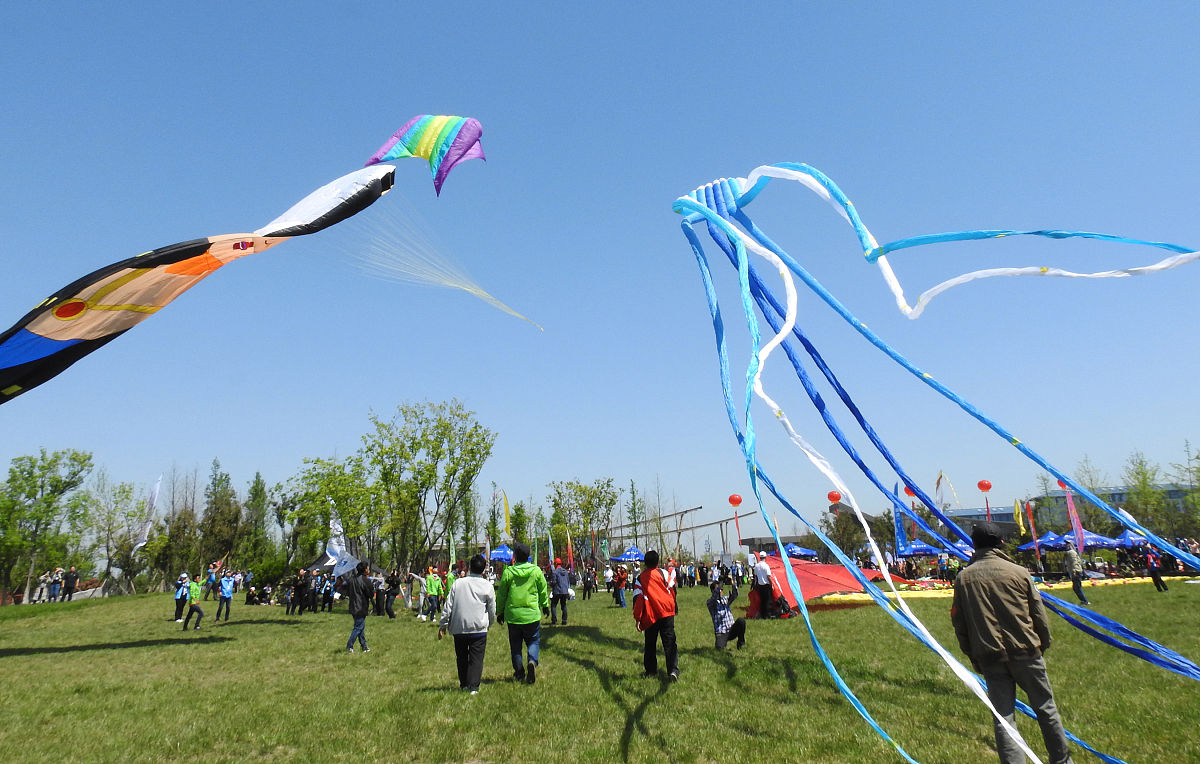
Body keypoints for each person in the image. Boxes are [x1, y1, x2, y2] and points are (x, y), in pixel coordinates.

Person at [951, 522, 1074, 764]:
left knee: (1003, 718)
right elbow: (1038, 615)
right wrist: (1042, 644)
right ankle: (1062, 761)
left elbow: (960, 623)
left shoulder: (963, 579)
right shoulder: (1019, 572)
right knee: (1046, 709)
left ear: (974, 545)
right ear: (1002, 543)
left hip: (989, 657)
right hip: (1027, 651)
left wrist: (973, 655)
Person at [439, 554, 496, 694]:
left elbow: (448, 606)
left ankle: (464, 684)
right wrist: (489, 623)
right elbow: (492, 608)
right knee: (477, 658)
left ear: (469, 567)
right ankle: (474, 687)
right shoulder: (487, 585)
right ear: (483, 570)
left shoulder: (458, 583)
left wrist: (443, 624)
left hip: (459, 627)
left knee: (462, 657)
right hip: (479, 627)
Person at [495, 542, 549, 684]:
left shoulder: (508, 572)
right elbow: (543, 589)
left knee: (516, 646)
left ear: (515, 556)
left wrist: (499, 612)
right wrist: (545, 605)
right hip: (531, 614)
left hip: (513, 615)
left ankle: (519, 673)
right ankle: (532, 660)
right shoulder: (536, 571)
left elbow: (501, 594)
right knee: (533, 641)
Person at [633, 550, 678, 680]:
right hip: (666, 612)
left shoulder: (640, 578)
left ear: (645, 563)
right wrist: (672, 605)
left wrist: (638, 618)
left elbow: (638, 599)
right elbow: (672, 589)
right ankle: (673, 670)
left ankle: (651, 671)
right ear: (657, 562)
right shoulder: (664, 573)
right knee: (669, 642)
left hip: (651, 614)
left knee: (650, 644)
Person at [706, 580, 746, 650]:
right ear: (712, 591)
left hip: (731, 629)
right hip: (721, 632)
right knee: (719, 648)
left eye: (721, 589)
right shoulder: (710, 603)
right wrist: (720, 584)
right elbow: (714, 596)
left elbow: (735, 594)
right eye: (718, 589)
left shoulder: (725, 599)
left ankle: (741, 643)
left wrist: (732, 583)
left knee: (741, 621)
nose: (720, 591)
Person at [344, 562, 372, 653]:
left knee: (361, 627)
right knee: (358, 627)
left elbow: (346, 590)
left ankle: (364, 646)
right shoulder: (365, 580)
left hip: (352, 605)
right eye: (367, 568)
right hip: (361, 606)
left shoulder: (351, 579)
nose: (368, 569)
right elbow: (371, 593)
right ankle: (349, 646)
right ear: (365, 570)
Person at [549, 558, 571, 625]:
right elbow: (568, 581)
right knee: (563, 605)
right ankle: (564, 621)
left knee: (553, 605)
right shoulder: (565, 572)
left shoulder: (555, 572)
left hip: (557, 591)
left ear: (556, 564)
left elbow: (554, 582)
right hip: (564, 591)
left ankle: (554, 620)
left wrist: (551, 584)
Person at [752, 551, 773, 618]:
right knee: (768, 600)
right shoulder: (766, 566)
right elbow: (768, 576)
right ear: (765, 557)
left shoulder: (757, 566)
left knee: (762, 601)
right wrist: (772, 584)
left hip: (759, 585)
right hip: (766, 585)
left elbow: (755, 576)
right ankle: (767, 615)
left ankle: (762, 614)